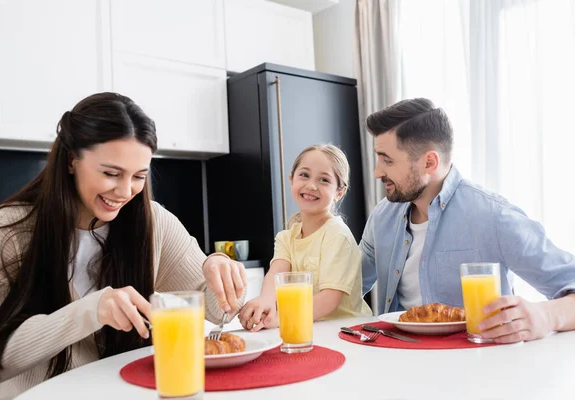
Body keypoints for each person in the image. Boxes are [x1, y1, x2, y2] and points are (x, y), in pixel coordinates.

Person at [0, 92, 247, 398]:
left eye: (138, 176)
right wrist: (90, 311)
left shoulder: (153, 222)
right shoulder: (9, 228)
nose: (125, 191)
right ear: (71, 161)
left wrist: (217, 266)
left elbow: (215, 307)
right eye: (110, 173)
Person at [361, 98, 575, 344]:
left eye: (387, 160)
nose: (377, 172)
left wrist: (547, 315)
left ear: (429, 162)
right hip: (394, 362)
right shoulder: (382, 217)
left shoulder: (492, 217)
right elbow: (345, 287)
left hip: (476, 370)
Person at [239, 144, 372, 331]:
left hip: (346, 332)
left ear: (339, 192)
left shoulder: (336, 235)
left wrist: (282, 318)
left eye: (324, 180)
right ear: (292, 179)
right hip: (306, 328)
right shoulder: (286, 237)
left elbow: (328, 301)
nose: (311, 185)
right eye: (304, 175)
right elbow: (276, 274)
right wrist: (265, 302)